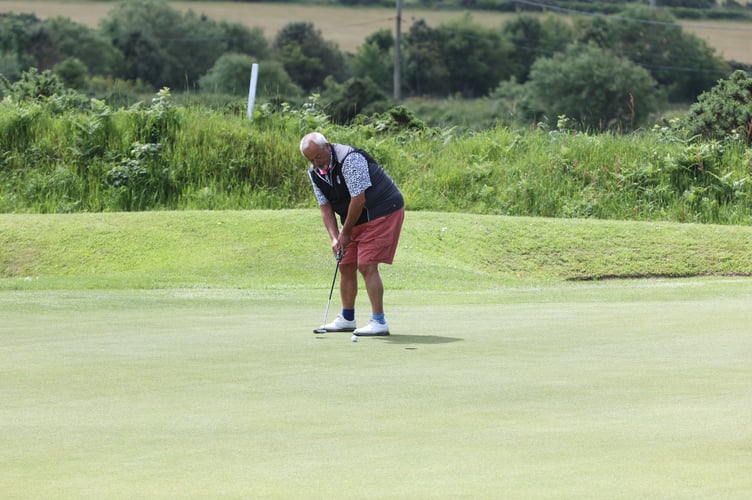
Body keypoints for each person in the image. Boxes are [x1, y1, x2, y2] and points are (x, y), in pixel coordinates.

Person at [300, 132, 405, 336]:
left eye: (318, 157)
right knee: (345, 264)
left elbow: (359, 200)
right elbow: (325, 208)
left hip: (383, 209)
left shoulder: (350, 159)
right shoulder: (314, 173)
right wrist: (335, 238)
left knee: (366, 264)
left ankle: (379, 321)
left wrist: (345, 233)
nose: (316, 163)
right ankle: (347, 318)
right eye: (311, 159)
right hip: (356, 216)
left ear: (328, 146)